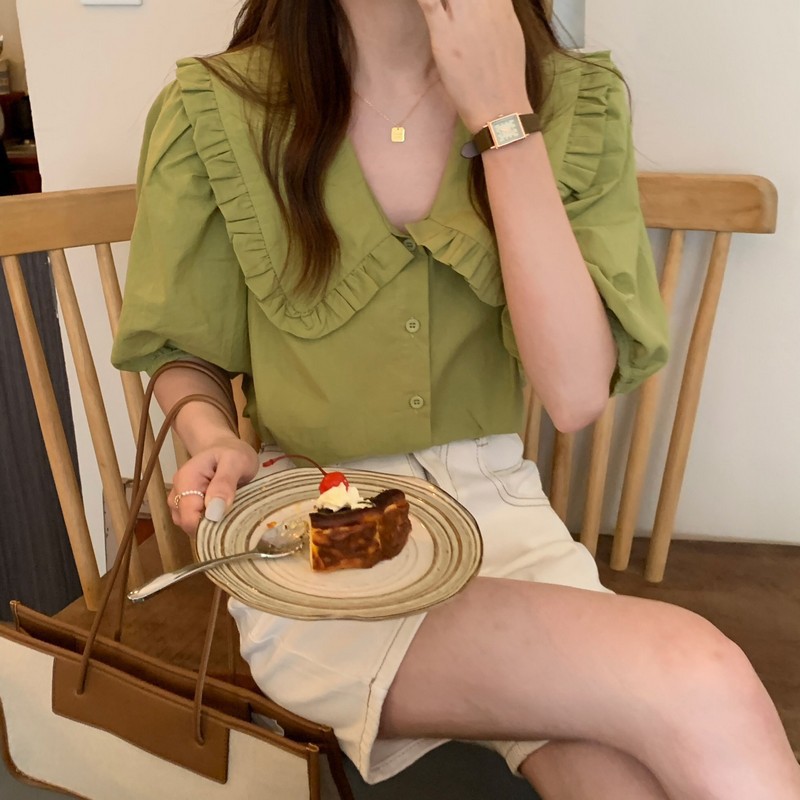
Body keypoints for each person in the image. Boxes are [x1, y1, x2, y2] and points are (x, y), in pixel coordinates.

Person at [112, 1, 800, 797]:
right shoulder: (220, 106)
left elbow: (575, 393)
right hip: (319, 539)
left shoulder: (572, 100)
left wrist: (503, 116)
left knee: (622, 782)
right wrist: (212, 434)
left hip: (505, 526)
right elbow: (184, 350)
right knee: (701, 674)